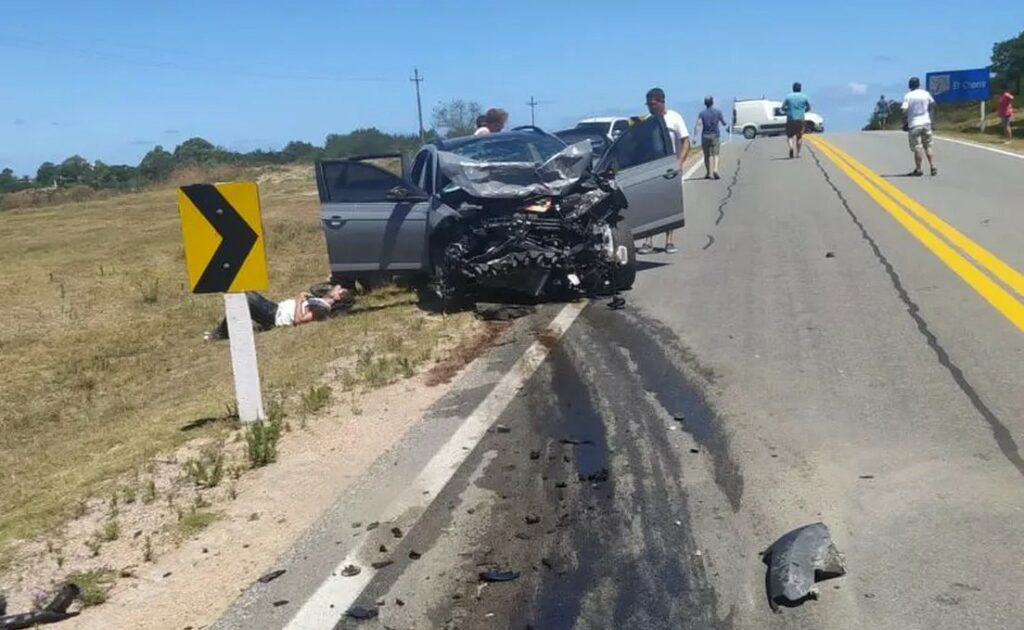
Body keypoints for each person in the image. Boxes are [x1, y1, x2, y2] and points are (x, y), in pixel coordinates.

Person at [637, 87, 690, 255]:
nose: (650, 108)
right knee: (649, 205)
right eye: (648, 105)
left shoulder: (675, 118)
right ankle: (648, 240)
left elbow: (686, 141)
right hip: (651, 167)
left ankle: (669, 240)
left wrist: (680, 162)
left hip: (669, 166)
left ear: (661, 102)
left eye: (652, 104)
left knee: (670, 204)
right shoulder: (647, 121)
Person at [205, 284, 350, 341]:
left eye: (339, 289)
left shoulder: (321, 309)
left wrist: (299, 300)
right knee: (245, 292)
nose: (336, 287)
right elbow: (317, 287)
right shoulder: (320, 299)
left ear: (338, 297)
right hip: (274, 308)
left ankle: (221, 333)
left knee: (244, 299)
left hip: (274, 316)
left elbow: (299, 321)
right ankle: (224, 330)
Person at [901, 76, 937, 176]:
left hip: (914, 124)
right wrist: (932, 119)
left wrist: (904, 122)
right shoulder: (926, 94)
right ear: (919, 84)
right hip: (926, 123)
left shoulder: (908, 96)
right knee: (928, 146)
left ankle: (919, 169)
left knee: (917, 147)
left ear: (909, 86)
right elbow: (933, 105)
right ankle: (932, 166)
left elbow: (904, 110)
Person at [693, 96, 728, 179]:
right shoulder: (718, 112)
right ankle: (715, 170)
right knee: (716, 154)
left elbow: (698, 125)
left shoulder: (702, 114)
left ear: (705, 103)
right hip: (715, 135)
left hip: (705, 136)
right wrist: (724, 123)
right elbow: (723, 122)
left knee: (706, 155)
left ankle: (708, 172)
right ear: (713, 102)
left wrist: (695, 137)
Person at [780, 82, 811, 158]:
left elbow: (782, 108)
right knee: (799, 137)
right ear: (800, 88)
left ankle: (791, 147)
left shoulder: (788, 97)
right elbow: (809, 107)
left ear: (793, 88)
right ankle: (798, 153)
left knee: (789, 136)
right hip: (800, 118)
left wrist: (787, 110)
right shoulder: (804, 97)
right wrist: (803, 111)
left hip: (790, 118)